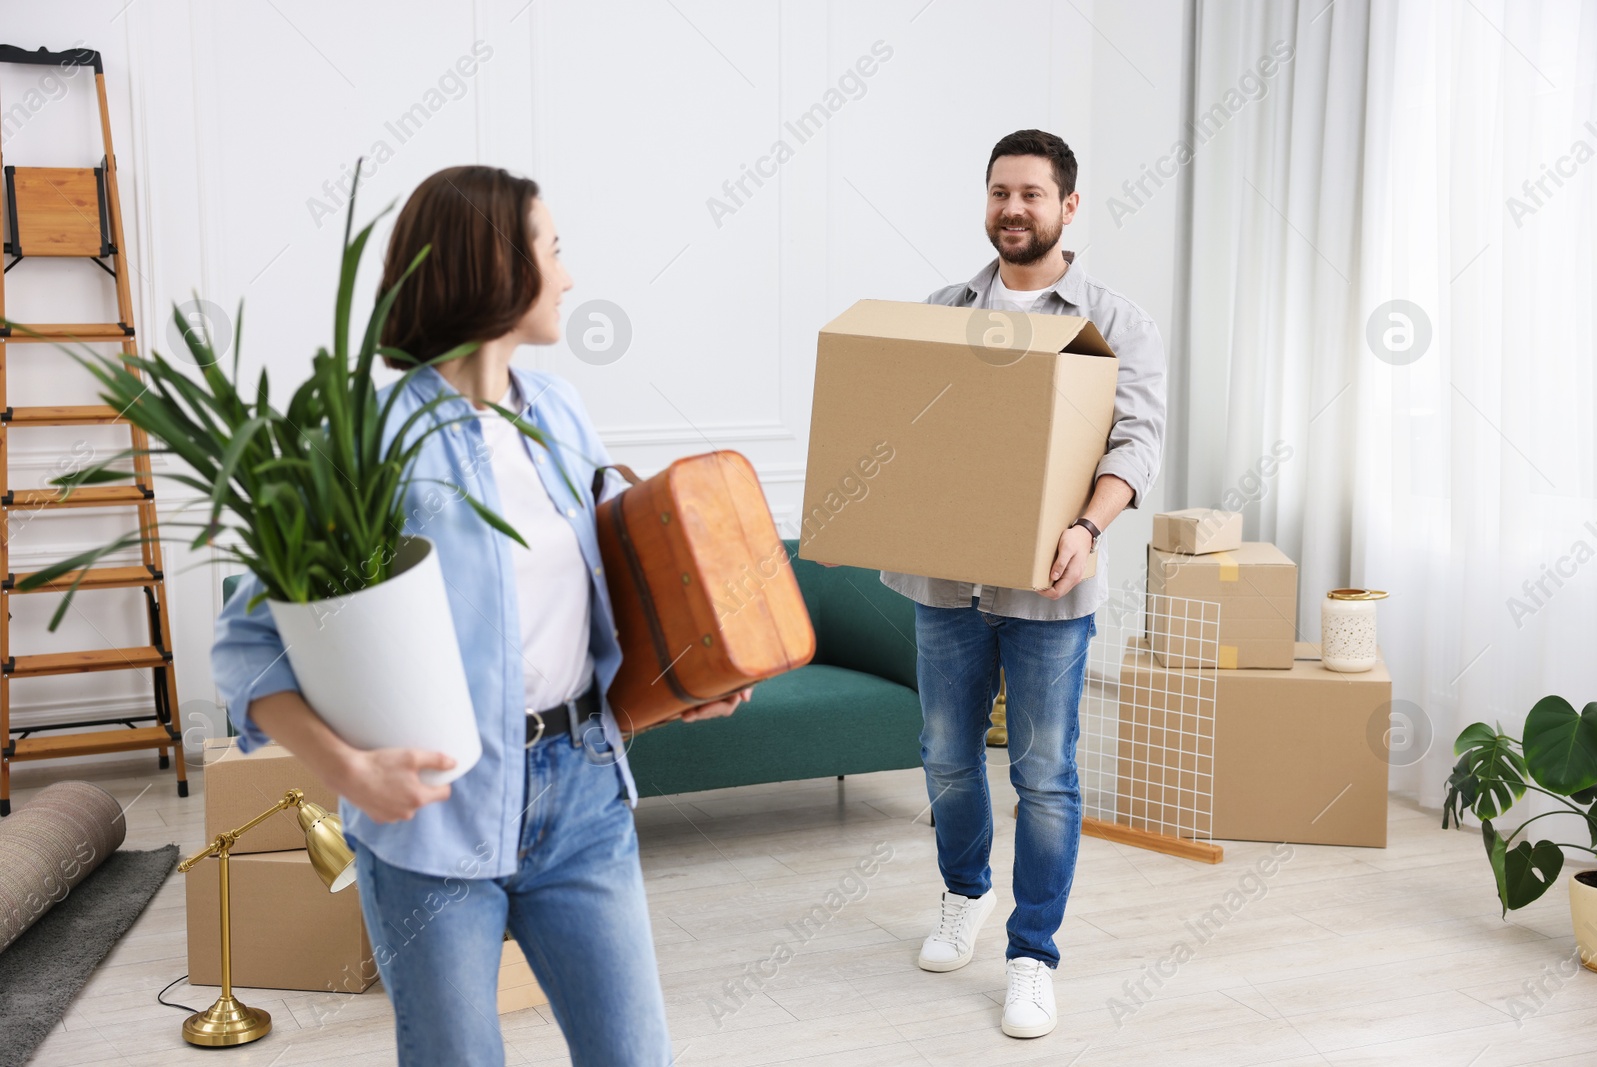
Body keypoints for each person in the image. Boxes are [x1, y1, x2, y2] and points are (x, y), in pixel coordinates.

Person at [212, 165, 751, 1067]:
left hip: (583, 795)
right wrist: (348, 768)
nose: (569, 276)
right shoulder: (365, 441)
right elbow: (247, 643)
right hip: (432, 815)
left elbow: (601, 598)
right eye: (553, 248)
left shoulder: (563, 414)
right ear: (492, 266)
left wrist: (678, 683)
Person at [879, 129, 1167, 1038]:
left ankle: (1032, 952)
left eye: (1032, 195)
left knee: (1045, 774)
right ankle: (964, 892)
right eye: (1000, 192)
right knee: (945, 754)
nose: (1013, 208)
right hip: (944, 581)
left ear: (1068, 206)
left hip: (1051, 586)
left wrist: (1087, 528)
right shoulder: (945, 305)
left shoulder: (1113, 321)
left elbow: (1138, 443)